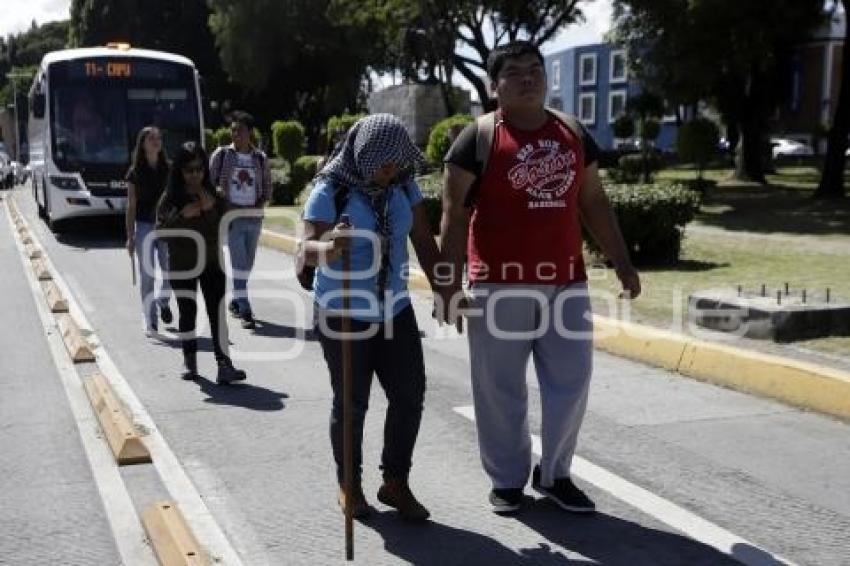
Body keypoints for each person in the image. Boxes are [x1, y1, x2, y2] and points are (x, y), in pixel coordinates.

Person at [437, 41, 641, 515]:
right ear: (495, 86)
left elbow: (593, 202)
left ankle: (555, 474)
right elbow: (453, 216)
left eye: (535, 70)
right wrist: (447, 285)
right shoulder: (478, 137)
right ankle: (507, 480)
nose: (528, 78)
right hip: (498, 282)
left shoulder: (571, 131)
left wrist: (622, 261)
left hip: (566, 281)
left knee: (572, 378)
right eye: (514, 72)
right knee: (499, 385)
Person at [301, 114, 442, 522]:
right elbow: (308, 247)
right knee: (351, 404)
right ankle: (350, 485)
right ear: (363, 155)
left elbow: (422, 241)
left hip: (394, 309)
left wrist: (444, 289)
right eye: (384, 162)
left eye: (396, 162)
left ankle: (395, 482)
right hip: (343, 311)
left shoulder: (403, 186)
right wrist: (331, 247)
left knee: (409, 394)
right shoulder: (331, 190)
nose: (390, 170)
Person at [156, 141, 248, 385]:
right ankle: (190, 360)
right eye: (189, 170)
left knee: (217, 314)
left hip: (211, 264)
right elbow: (161, 233)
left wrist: (208, 210)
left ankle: (224, 365)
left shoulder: (215, 195)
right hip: (182, 265)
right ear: (180, 171)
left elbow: (225, 227)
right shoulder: (170, 198)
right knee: (188, 312)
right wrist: (182, 215)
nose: (195, 174)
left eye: (199, 168)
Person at [209, 111, 272, 329]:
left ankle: (236, 301)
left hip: (254, 218)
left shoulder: (260, 158)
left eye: (241, 130)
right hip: (232, 218)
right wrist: (222, 199)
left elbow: (267, 187)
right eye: (233, 130)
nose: (236, 134)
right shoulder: (222, 155)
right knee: (239, 265)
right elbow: (210, 184)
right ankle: (245, 309)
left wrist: (259, 204)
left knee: (247, 264)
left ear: (250, 133)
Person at [125, 126, 173, 337]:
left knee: (171, 271)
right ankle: (150, 318)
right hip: (144, 226)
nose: (156, 141)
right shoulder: (134, 173)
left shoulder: (169, 169)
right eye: (151, 138)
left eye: (158, 138)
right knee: (148, 276)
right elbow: (131, 205)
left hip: (166, 226)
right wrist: (130, 236)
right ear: (142, 144)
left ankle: (163, 301)